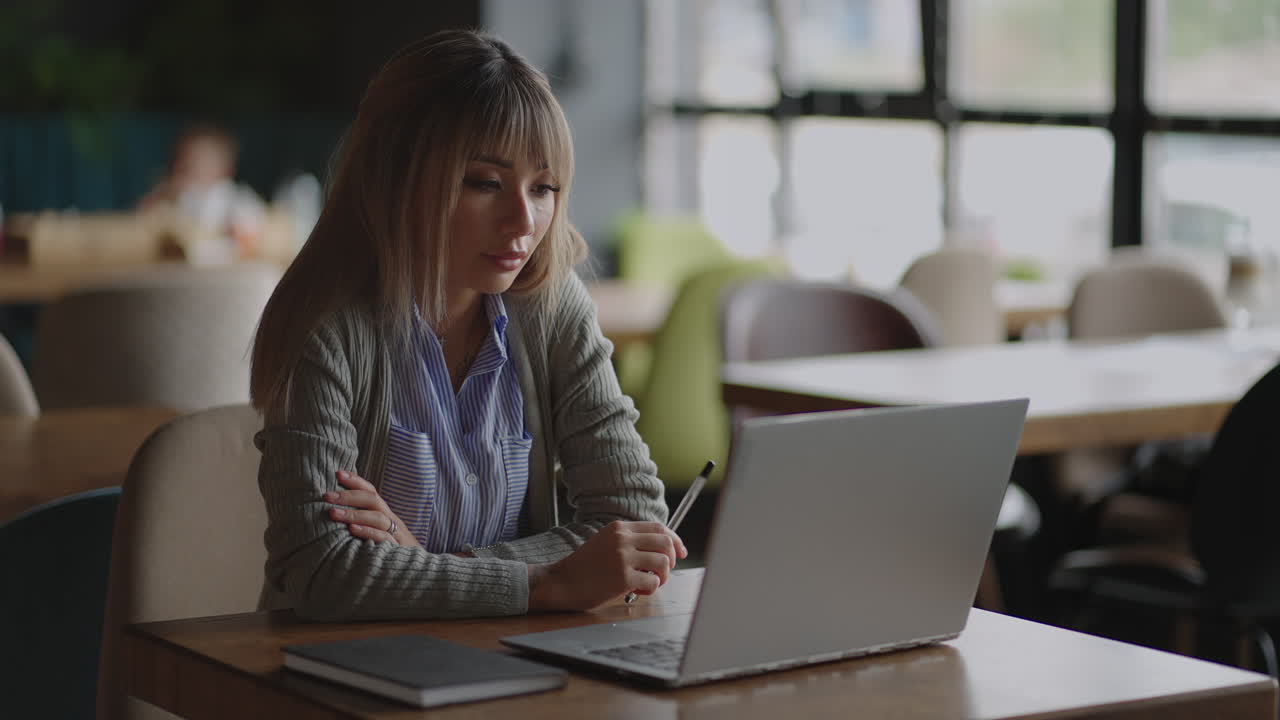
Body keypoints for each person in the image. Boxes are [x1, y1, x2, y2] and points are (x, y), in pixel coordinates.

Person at [249, 29, 682, 621]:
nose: (523, 221)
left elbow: (637, 528)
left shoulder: (552, 308)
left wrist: (427, 562)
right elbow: (321, 572)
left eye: (544, 187)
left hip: (507, 662)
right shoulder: (326, 329)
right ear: (397, 176)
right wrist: (545, 584)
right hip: (334, 675)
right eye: (485, 183)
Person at [139, 123, 266, 263]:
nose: (186, 167)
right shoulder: (176, 195)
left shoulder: (227, 194)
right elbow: (144, 218)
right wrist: (163, 193)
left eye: (197, 162)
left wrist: (235, 234)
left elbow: (248, 225)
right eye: (183, 161)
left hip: (216, 256)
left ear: (224, 169)